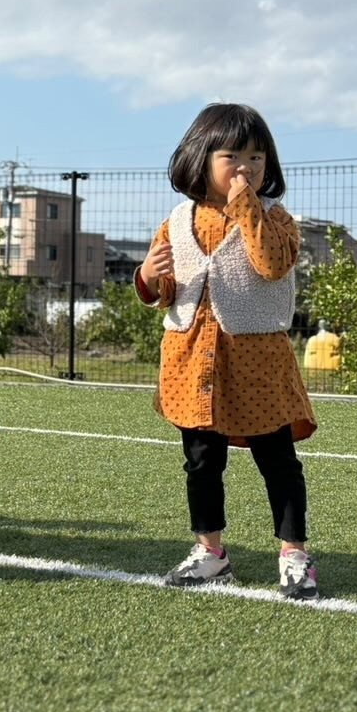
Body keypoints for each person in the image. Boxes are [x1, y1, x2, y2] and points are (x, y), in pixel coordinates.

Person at [135, 103, 319, 600]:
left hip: (258, 363)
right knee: (201, 460)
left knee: (277, 459)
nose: (246, 167)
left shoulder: (277, 220)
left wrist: (247, 207)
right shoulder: (177, 220)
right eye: (233, 155)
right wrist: (150, 278)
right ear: (201, 157)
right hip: (191, 360)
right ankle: (210, 552)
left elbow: (273, 263)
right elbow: (168, 289)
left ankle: (294, 554)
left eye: (257, 157)